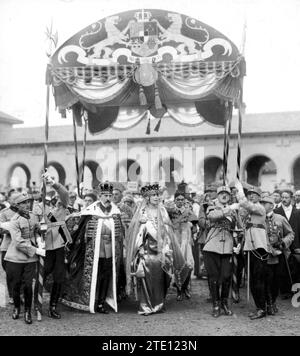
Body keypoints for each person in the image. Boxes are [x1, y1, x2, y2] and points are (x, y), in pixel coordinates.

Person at [126, 183, 190, 315]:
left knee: (162, 277)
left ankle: (158, 304)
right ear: (147, 198)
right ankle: (146, 306)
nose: (156, 197)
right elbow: (137, 233)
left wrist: (166, 246)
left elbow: (168, 229)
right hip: (147, 251)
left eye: (157, 195)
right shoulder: (142, 212)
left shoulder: (162, 211)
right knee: (147, 277)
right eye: (153, 195)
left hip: (162, 250)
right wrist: (141, 245)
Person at [62, 181, 125, 313]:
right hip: (95, 252)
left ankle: (102, 302)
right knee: (96, 277)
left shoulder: (115, 212)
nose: (108, 198)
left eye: (110, 195)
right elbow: (77, 228)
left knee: (107, 276)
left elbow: (120, 234)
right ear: (100, 196)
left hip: (111, 251)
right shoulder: (91, 211)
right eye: (105, 195)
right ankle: (93, 300)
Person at [0, 192, 45, 324]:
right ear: (17, 206)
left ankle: (27, 311)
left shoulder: (33, 216)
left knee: (28, 286)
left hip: (30, 259)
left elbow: (36, 230)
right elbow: (18, 242)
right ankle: (16, 308)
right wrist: (36, 250)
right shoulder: (14, 220)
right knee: (16, 285)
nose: (26, 205)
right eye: (23, 203)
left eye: (28, 202)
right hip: (15, 258)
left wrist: (38, 239)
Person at [33, 171, 71, 319]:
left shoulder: (62, 203)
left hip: (60, 244)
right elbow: (33, 225)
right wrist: (38, 228)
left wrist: (52, 182)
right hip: (45, 245)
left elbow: (64, 192)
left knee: (59, 277)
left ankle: (53, 306)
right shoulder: (39, 207)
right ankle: (36, 304)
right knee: (41, 274)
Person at [203, 185, 240, 317]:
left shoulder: (234, 211)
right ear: (217, 196)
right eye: (221, 194)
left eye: (227, 194)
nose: (224, 196)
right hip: (212, 246)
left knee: (226, 277)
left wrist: (239, 240)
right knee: (213, 278)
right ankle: (216, 304)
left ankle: (224, 303)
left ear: (230, 197)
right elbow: (212, 217)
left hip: (228, 246)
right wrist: (228, 209)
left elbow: (239, 226)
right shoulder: (211, 207)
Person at [235, 181, 270, 320]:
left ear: (259, 197)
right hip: (250, 247)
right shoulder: (250, 210)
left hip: (259, 248)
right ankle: (260, 307)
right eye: (249, 195)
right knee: (253, 279)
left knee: (258, 280)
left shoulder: (260, 208)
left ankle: (262, 308)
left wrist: (239, 190)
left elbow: (245, 204)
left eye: (254, 195)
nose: (251, 197)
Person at [260, 195, 294, 315]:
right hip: (262, 255)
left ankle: (272, 302)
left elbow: (290, 233)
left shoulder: (280, 218)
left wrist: (283, 242)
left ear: (272, 205)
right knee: (264, 279)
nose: (262, 205)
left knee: (275, 279)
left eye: (265, 203)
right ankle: (266, 304)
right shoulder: (258, 218)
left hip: (278, 254)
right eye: (261, 203)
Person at [166, 191, 195, 301]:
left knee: (188, 265)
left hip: (186, 240)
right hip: (175, 240)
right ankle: (179, 289)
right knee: (178, 265)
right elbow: (168, 224)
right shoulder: (170, 211)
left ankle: (185, 288)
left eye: (182, 199)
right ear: (175, 200)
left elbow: (194, 223)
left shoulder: (188, 210)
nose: (180, 201)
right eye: (178, 199)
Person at [274, 189, 300, 297]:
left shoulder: (297, 212)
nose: (284, 199)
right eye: (282, 197)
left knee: (297, 267)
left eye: (286, 197)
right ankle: (285, 290)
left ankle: (297, 289)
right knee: (282, 267)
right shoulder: (276, 212)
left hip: (296, 244)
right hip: (282, 244)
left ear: (291, 198)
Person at [0, 190, 21, 304]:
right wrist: (14, 229)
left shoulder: (24, 212)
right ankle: (12, 295)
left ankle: (20, 294)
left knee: (21, 272)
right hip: (7, 246)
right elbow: (1, 229)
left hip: (21, 246)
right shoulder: (4, 213)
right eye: (15, 200)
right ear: (10, 201)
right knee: (9, 272)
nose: (17, 202)